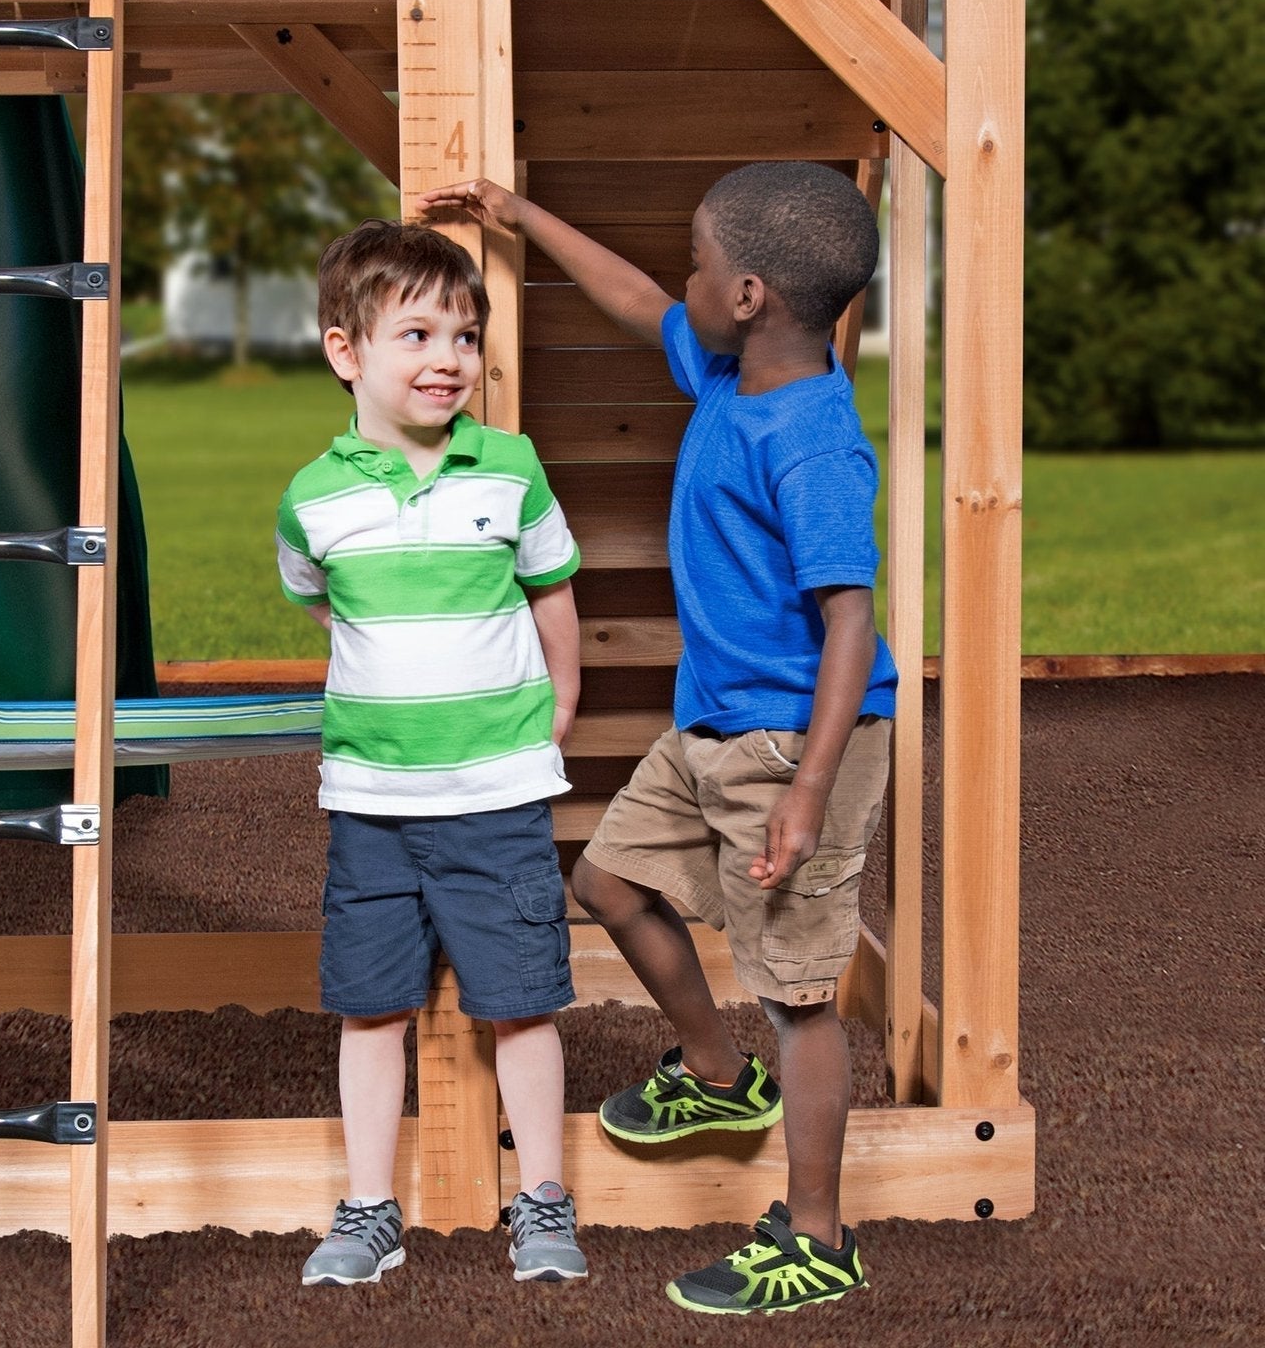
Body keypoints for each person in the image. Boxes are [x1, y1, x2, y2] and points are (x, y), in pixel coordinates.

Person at [420, 162, 896, 1316]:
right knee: (607, 880)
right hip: (715, 724)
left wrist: (808, 790)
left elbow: (849, 621)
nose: (678, 279)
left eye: (696, 261)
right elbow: (638, 300)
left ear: (746, 294)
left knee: (799, 996)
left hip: (797, 745)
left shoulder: (811, 440)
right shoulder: (732, 370)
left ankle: (817, 1238)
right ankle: (717, 1073)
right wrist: (522, 215)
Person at [277, 218, 587, 1288]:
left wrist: (562, 700)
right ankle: (369, 1209)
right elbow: (323, 602)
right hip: (371, 801)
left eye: (463, 335)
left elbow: (552, 592)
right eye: (416, 334)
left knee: (521, 1001)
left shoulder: (510, 469)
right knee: (370, 1006)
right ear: (346, 351)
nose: (448, 358)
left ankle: (542, 1199)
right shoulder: (312, 498)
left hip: (496, 795)